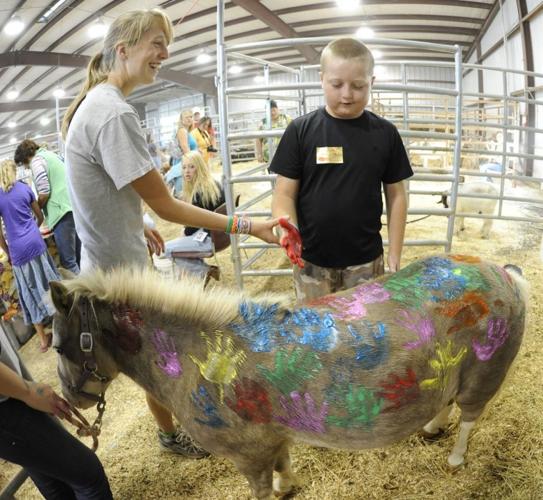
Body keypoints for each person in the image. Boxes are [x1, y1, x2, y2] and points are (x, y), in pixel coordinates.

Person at [61, 8, 288, 459]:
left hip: (108, 263)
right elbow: (165, 203)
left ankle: (173, 432)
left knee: (160, 362)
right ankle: (175, 436)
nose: (164, 54)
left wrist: (137, 224)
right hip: (119, 280)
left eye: (166, 45)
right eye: (156, 44)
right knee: (163, 363)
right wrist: (248, 225)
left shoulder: (97, 105)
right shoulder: (112, 113)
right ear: (123, 51)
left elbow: (100, 190)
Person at [270, 38, 413, 301]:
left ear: (372, 82)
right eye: (336, 85)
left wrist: (394, 254)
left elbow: (397, 195)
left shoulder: (385, 134)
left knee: (365, 333)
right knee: (315, 334)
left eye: (358, 86)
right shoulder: (300, 131)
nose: (347, 95)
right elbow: (284, 194)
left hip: (366, 264)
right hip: (311, 263)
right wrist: (287, 229)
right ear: (322, 79)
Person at [0, 332, 113, 499]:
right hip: (6, 405)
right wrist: (27, 391)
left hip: (10, 393)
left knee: (54, 478)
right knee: (87, 473)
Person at [0, 159, 61, 353]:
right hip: (35, 243)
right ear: (14, 172)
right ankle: (61, 327)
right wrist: (32, 230)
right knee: (50, 283)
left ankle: (43, 340)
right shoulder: (25, 188)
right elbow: (40, 215)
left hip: (17, 251)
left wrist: (8, 251)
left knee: (28, 294)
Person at [14, 140, 81, 275]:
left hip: (61, 212)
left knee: (68, 262)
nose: (26, 168)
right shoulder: (51, 155)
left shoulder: (36, 161)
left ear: (25, 157)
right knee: (80, 257)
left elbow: (44, 192)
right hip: (73, 207)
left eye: (24, 164)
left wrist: (37, 209)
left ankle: (81, 295)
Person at [163, 151, 225, 280]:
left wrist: (184, 233)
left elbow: (192, 228)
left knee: (166, 250)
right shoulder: (213, 184)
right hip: (222, 237)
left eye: (192, 167)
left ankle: (204, 270)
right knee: (180, 242)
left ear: (200, 167)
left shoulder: (200, 192)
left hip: (208, 240)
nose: (187, 171)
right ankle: (203, 270)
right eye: (184, 167)